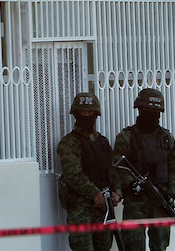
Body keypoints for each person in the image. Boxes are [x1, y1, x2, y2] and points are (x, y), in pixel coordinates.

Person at [113, 88, 175, 251]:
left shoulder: (166, 138)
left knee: (160, 244)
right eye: (148, 112)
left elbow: (174, 167)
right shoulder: (127, 137)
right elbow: (117, 166)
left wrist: (172, 193)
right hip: (136, 201)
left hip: (160, 199)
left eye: (156, 112)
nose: (152, 116)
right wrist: (131, 184)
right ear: (140, 110)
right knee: (134, 244)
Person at [56, 92, 121, 251]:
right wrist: (94, 193)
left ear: (96, 114)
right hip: (81, 209)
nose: (87, 116)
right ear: (76, 114)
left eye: (90, 112)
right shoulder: (68, 143)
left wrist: (117, 191)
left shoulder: (102, 142)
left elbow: (112, 170)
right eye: (83, 113)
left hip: (104, 208)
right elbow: (73, 174)